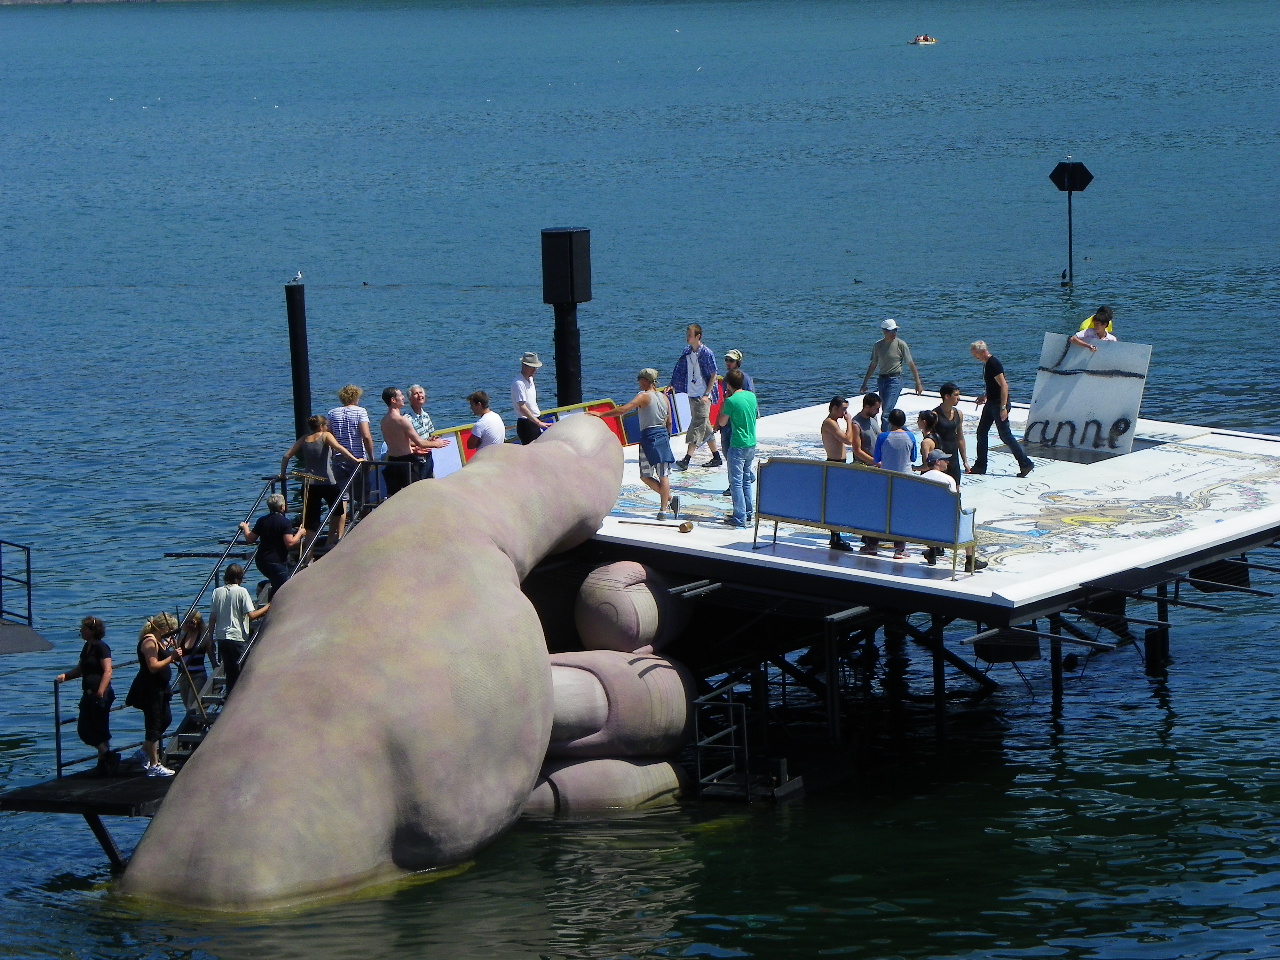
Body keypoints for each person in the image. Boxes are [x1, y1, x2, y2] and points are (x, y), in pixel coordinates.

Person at [589, 369, 680, 520]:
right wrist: (667, 438)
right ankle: (669, 499)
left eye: (639, 379)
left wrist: (601, 414)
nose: (638, 382)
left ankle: (663, 510)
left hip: (650, 436)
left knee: (655, 475)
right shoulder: (664, 397)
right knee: (654, 475)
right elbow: (669, 422)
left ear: (645, 381)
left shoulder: (643, 396)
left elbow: (624, 409)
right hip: (660, 435)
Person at [280, 414, 364, 555]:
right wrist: (355, 460)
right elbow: (339, 448)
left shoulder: (304, 439)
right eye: (326, 425)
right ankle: (329, 541)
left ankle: (309, 554)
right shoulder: (325, 436)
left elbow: (286, 456)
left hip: (309, 483)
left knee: (311, 520)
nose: (327, 428)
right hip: (327, 481)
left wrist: (283, 474)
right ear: (321, 427)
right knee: (337, 510)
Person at [55, 616, 118, 775]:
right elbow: (80, 669)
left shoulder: (102, 647)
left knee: (97, 730)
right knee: (85, 729)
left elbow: (108, 671)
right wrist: (66, 676)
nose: (81, 631)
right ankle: (108, 757)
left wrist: (101, 691)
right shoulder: (87, 647)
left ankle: (104, 762)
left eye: (84, 628)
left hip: (100, 694)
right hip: (88, 694)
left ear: (91, 631)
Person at [125, 612, 182, 777]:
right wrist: (171, 657)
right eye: (169, 630)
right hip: (150, 689)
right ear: (161, 628)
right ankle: (154, 764)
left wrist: (170, 650)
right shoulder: (149, 641)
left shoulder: (159, 641)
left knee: (166, 719)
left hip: (161, 688)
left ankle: (143, 752)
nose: (170, 634)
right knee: (154, 724)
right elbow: (153, 666)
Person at [969, 340, 1034, 479]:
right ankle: (980, 465)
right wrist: (985, 396)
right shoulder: (987, 364)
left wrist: (1003, 407)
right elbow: (994, 386)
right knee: (981, 432)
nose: (975, 357)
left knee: (1005, 435)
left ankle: (1025, 463)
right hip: (991, 403)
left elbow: (1004, 386)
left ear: (982, 351)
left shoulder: (994, 364)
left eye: (976, 354)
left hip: (998, 404)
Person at [919, 450, 986, 572]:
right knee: (968, 521)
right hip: (945, 528)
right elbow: (955, 505)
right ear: (938, 462)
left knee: (931, 514)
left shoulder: (921, 479)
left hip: (923, 525)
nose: (948, 462)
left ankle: (932, 552)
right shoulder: (948, 479)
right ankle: (970, 561)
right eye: (945, 460)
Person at [670, 324, 721, 471]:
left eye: (690, 335)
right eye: (687, 334)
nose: (687, 337)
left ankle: (687, 459)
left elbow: (713, 374)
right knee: (705, 426)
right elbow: (679, 369)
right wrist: (672, 384)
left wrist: (707, 394)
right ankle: (716, 456)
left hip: (703, 395)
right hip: (691, 393)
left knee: (697, 424)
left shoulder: (706, 353)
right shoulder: (687, 352)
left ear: (698, 336)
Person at [208, 564, 266, 694]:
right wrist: (268, 607)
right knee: (243, 671)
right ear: (240, 577)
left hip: (222, 637)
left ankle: (229, 696)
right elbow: (252, 615)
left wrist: (210, 638)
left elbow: (212, 617)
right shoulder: (241, 591)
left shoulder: (217, 592)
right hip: (237, 637)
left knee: (230, 673)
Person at [380, 387, 441, 499]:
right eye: (400, 395)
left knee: (393, 497)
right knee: (416, 495)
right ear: (393, 400)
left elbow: (397, 442)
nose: (403, 398)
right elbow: (420, 442)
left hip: (392, 462)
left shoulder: (384, 421)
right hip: (407, 462)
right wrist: (437, 444)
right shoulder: (402, 420)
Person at [874, 409, 919, 559]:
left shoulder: (883, 436)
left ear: (890, 421)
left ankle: (871, 544)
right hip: (905, 479)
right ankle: (900, 549)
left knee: (881, 512)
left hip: (886, 478)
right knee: (901, 513)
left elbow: (876, 458)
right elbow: (913, 458)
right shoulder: (910, 436)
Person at [238, 493, 305, 594]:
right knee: (283, 589)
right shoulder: (285, 522)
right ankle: (268, 594)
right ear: (282, 507)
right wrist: (300, 533)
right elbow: (290, 543)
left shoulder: (262, 520)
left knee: (276, 582)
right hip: (277, 562)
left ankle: (263, 588)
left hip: (262, 561)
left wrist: (245, 528)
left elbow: (250, 539)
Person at [716, 368, 757, 527]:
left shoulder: (731, 401)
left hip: (738, 444)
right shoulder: (751, 396)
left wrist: (726, 401)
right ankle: (748, 512)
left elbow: (722, 422)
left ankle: (739, 517)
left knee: (736, 482)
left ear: (728, 384)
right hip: (751, 442)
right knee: (746, 479)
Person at [860, 319, 924, 419]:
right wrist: (865, 383)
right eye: (891, 331)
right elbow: (873, 365)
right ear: (884, 331)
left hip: (895, 380)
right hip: (882, 380)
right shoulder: (878, 345)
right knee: (884, 409)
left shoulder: (901, 344)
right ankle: (894, 426)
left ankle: (885, 429)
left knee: (886, 412)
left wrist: (918, 383)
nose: (894, 333)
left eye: (895, 330)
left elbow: (911, 364)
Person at [328, 384, 375, 515]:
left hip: (338, 458)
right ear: (355, 397)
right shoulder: (360, 412)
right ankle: (365, 523)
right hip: (357, 459)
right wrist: (371, 457)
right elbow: (366, 436)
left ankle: (341, 525)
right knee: (363, 497)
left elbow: (330, 437)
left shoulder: (332, 413)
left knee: (343, 496)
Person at [820, 396, 857, 551]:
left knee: (839, 500)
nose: (845, 413)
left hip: (839, 464)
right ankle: (835, 537)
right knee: (835, 502)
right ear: (834, 408)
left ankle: (836, 535)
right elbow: (848, 440)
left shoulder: (834, 422)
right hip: (834, 464)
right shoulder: (829, 422)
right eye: (843, 409)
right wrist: (849, 422)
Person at [405, 384, 451, 481]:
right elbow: (404, 440)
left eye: (421, 393)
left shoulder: (426, 416)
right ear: (410, 399)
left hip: (428, 457)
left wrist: (433, 439)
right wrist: (419, 445)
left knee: (429, 482)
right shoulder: (406, 418)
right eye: (415, 394)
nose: (419, 395)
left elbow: (430, 435)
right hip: (415, 458)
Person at [932, 382, 969, 485]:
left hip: (953, 458)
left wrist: (965, 461)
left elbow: (960, 438)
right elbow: (928, 438)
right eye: (956, 395)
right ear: (947, 396)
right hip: (939, 459)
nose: (959, 398)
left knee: (956, 487)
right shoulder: (935, 415)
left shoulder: (958, 414)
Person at [175, 612, 210, 714]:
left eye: (192, 622)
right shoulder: (181, 637)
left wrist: (215, 667)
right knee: (187, 704)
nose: (189, 625)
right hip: (183, 675)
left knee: (191, 706)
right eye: (187, 622)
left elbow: (211, 656)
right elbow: (178, 659)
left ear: (198, 622)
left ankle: (194, 722)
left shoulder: (204, 638)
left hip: (198, 675)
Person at [512, 352, 550, 445]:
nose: (534, 370)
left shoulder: (530, 379)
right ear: (524, 366)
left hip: (534, 420)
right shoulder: (519, 383)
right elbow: (522, 407)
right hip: (526, 423)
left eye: (535, 368)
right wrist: (539, 423)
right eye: (532, 367)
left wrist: (537, 422)